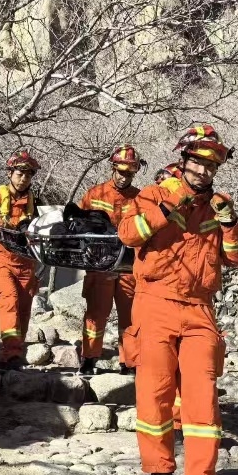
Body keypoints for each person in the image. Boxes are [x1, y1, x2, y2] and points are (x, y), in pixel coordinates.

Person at [118, 124, 238, 475]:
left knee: (201, 391)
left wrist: (230, 222)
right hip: (155, 302)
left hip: (199, 308)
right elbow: (128, 234)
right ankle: (159, 468)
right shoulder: (155, 193)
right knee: (155, 389)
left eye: (212, 165)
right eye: (199, 162)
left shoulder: (219, 204)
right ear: (184, 159)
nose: (205, 171)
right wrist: (167, 207)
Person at [77, 145, 144, 376]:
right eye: (121, 171)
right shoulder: (95, 194)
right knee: (96, 314)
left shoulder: (140, 198)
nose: (124, 176)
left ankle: (130, 363)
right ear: (113, 167)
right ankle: (89, 360)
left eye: (130, 173)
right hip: (100, 265)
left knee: (131, 318)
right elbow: (78, 226)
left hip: (128, 268)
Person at [0, 150, 41, 368]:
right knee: (9, 300)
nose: (23, 179)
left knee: (23, 307)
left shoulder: (35, 204)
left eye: (28, 176)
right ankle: (11, 353)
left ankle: (16, 349)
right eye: (20, 174)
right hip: (0, 260)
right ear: (10, 173)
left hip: (25, 263)